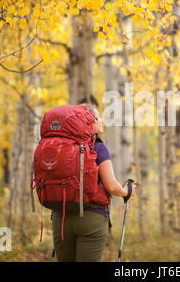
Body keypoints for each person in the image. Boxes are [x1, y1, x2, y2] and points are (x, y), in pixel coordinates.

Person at [51, 103, 136, 262]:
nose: (101, 119)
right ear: (89, 122)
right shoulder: (98, 147)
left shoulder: (59, 147)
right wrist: (126, 191)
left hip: (61, 217)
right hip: (91, 217)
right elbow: (111, 186)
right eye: (97, 116)